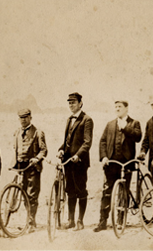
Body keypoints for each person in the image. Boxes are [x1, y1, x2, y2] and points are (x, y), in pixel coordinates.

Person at [93, 100, 142, 232]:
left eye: (120, 107)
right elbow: (102, 141)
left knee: (123, 193)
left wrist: (125, 127)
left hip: (126, 164)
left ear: (127, 108)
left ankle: (121, 221)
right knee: (107, 192)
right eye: (115, 107)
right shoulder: (110, 124)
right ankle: (102, 222)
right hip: (111, 164)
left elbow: (138, 137)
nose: (117, 109)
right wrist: (103, 157)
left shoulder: (134, 123)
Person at [57, 92, 94, 231]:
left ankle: (80, 221)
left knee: (81, 190)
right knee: (70, 190)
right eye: (69, 102)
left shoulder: (87, 120)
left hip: (79, 162)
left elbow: (87, 142)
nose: (71, 105)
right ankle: (71, 220)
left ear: (80, 103)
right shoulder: (69, 119)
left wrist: (78, 155)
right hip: (68, 161)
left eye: (73, 102)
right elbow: (67, 141)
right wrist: (61, 149)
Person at [11, 109, 47, 233]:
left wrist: (37, 158)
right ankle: (29, 220)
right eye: (21, 117)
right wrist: (14, 164)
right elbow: (15, 149)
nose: (23, 120)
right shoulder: (16, 132)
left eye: (26, 117)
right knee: (24, 194)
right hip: (21, 167)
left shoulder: (38, 132)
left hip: (33, 168)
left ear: (30, 117)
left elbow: (43, 150)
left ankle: (31, 223)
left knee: (32, 195)